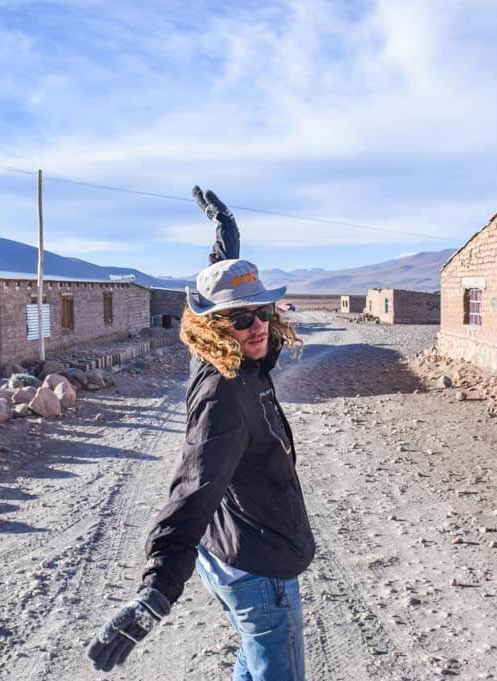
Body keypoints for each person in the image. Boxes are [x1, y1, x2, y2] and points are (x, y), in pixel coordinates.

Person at [87, 187, 315, 681]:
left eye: (262, 311)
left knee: (255, 661)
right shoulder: (225, 393)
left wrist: (226, 240)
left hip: (236, 551)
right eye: (239, 318)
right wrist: (158, 589)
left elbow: (218, 295)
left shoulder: (221, 353)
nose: (256, 326)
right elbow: (193, 487)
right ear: (215, 326)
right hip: (257, 569)